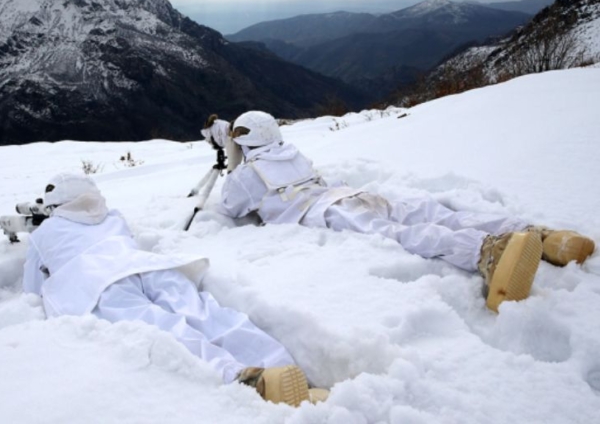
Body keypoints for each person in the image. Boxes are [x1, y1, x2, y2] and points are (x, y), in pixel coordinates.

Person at [219, 111, 595, 312]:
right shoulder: (292, 152)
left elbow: (231, 207)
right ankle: (537, 235)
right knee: (429, 212)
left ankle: (488, 251)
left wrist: (232, 163)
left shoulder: (247, 174)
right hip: (351, 193)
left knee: (400, 234)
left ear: (244, 140)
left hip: (328, 211)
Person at [23, 172, 326, 406]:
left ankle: (246, 380)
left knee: (161, 326)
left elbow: (32, 288)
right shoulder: (113, 217)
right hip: (147, 267)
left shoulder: (46, 231)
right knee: (207, 315)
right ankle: (287, 371)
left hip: (99, 282)